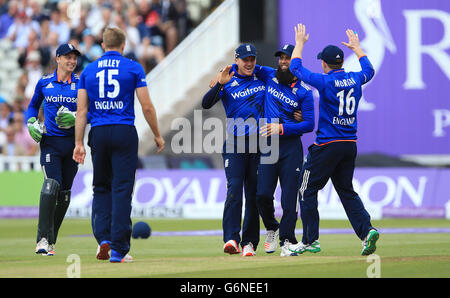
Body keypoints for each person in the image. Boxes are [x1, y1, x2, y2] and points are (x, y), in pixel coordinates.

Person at [73, 27, 165, 263]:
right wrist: (157, 134)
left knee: (101, 187)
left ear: (103, 45)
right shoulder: (133, 67)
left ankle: (102, 238)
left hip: (99, 132)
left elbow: (81, 111)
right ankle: (118, 249)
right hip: (124, 130)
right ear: (123, 46)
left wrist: (78, 143)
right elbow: (146, 106)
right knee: (122, 189)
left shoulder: (88, 70)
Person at [287, 24, 379, 256]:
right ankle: (367, 230)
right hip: (349, 145)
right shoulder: (355, 79)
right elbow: (369, 70)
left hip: (328, 144)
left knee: (306, 188)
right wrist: (358, 49)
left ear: (325, 64)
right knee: (346, 190)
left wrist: (299, 43)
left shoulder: (325, 81)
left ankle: (310, 241)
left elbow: (296, 67)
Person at [201, 44, 265, 257]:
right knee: (234, 189)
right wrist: (219, 84)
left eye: (252, 59)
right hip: (235, 143)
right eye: (245, 59)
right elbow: (206, 104)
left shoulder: (262, 75)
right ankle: (231, 238)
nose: (249, 63)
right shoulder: (227, 79)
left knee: (254, 194)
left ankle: (249, 243)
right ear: (236, 60)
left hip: (260, 143)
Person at [253, 44, 315, 256]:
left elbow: (309, 124)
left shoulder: (304, 92)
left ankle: (287, 240)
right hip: (268, 145)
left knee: (289, 197)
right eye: (280, 58)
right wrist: (220, 79)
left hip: (290, 147)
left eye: (287, 58)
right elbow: (244, 67)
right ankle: (271, 227)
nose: (282, 61)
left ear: (295, 62)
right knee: (262, 194)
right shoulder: (269, 75)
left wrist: (282, 127)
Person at [26, 43, 81, 256]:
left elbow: (93, 112)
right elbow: (32, 106)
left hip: (73, 145)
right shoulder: (44, 82)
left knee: (64, 195)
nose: (72, 61)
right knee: (51, 186)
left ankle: (51, 241)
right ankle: (42, 239)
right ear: (57, 59)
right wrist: (31, 121)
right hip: (51, 143)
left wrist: (76, 118)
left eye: (74, 57)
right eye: (67, 57)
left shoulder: (81, 83)